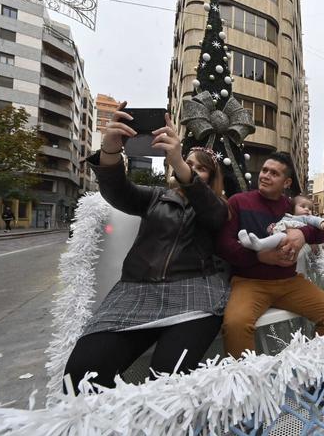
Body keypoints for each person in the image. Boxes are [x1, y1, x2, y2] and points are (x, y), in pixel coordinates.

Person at [64, 102, 229, 394]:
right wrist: (111, 151)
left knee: (167, 381)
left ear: (211, 179)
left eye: (200, 169)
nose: (191, 170)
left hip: (194, 295)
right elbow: (118, 192)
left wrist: (180, 163)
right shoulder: (155, 197)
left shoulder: (216, 205)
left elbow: (215, 215)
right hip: (134, 292)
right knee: (80, 375)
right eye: (187, 163)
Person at [217, 152, 324, 359]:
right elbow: (224, 245)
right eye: (264, 170)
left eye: (274, 173)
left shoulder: (291, 207)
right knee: (236, 325)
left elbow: (322, 230)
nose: (265, 175)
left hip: (289, 283)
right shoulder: (239, 201)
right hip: (249, 283)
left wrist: (302, 234)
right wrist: (258, 257)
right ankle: (248, 386)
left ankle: (317, 374)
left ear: (287, 182)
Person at [238, 195, 324, 252]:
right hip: (278, 236)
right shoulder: (287, 216)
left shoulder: (306, 218)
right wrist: (272, 227)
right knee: (273, 239)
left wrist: (323, 222)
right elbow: (279, 224)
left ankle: (259, 244)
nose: (307, 209)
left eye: (310, 209)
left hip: (288, 239)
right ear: (293, 208)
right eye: (302, 206)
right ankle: (250, 244)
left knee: (279, 237)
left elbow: (315, 220)